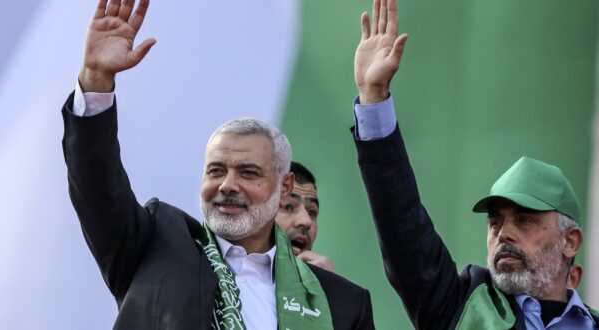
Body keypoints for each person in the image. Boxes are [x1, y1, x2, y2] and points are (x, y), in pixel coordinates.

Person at [61, 0, 374, 329]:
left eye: (248, 172)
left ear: (284, 188)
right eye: (216, 171)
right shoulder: (155, 245)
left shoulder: (340, 301)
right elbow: (97, 187)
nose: (227, 185)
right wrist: (95, 80)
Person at [350, 0, 599, 328]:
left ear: (570, 242)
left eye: (524, 220)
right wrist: (373, 97)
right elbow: (403, 227)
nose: (504, 233)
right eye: (495, 222)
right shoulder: (459, 306)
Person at [276, 161, 335, 272]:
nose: (306, 221)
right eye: (288, 207)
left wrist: (329, 285)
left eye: (311, 212)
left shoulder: (325, 283)